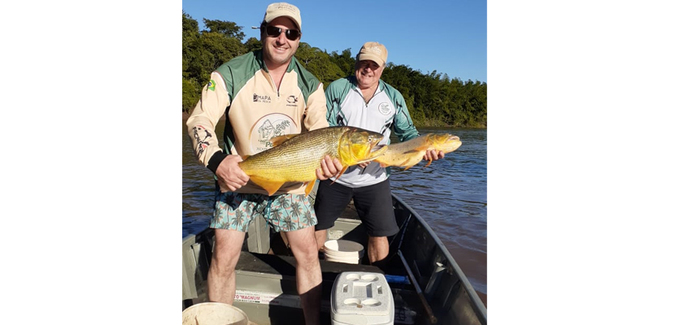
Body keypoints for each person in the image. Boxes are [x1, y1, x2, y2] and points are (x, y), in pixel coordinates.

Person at [185, 3, 342, 324]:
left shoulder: (311, 85)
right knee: (223, 259)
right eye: (275, 30)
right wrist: (216, 161)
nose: (282, 39)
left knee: (309, 254)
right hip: (237, 180)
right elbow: (199, 121)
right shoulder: (230, 73)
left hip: (289, 186)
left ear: (299, 39)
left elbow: (323, 135)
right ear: (262, 32)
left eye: (291, 33)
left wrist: (332, 164)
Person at [314, 42, 444, 266]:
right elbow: (321, 130)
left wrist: (425, 149)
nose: (368, 69)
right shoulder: (338, 89)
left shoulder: (393, 97)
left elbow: (408, 134)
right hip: (336, 175)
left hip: (375, 178)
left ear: (382, 68)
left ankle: (378, 275)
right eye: (364, 63)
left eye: (374, 65)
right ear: (357, 62)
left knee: (379, 233)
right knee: (318, 227)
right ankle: (319, 273)